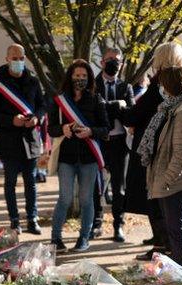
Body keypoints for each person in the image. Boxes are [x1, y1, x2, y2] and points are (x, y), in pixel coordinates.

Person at [121, 42, 182, 261]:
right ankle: (163, 248)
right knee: (163, 207)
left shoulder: (160, 85)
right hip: (164, 151)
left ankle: (166, 251)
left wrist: (118, 108)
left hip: (157, 154)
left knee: (159, 205)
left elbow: (135, 115)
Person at [141, 67, 182, 267]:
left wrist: (166, 180)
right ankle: (174, 268)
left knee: (176, 229)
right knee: (171, 228)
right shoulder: (169, 108)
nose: (159, 87)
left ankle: (179, 271)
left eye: (161, 84)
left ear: (169, 85)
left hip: (177, 182)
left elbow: (181, 154)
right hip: (168, 180)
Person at [0, 44, 47, 235]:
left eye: (21, 58)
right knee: (10, 182)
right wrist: (11, 120)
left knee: (31, 182)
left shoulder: (33, 81)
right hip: (8, 139)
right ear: (7, 59)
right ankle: (14, 220)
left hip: (30, 138)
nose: (19, 62)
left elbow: (42, 105)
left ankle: (32, 219)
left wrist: (37, 117)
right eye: (15, 58)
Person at [47, 59, 109, 252]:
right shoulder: (59, 101)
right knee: (64, 198)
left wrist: (91, 131)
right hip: (67, 157)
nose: (80, 79)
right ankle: (55, 238)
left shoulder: (96, 99)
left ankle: (84, 238)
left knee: (86, 200)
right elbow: (51, 129)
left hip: (88, 158)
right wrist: (63, 128)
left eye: (83, 76)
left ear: (89, 78)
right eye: (76, 76)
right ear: (70, 77)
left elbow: (105, 128)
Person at [93, 47, 135, 243]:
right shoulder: (92, 85)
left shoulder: (126, 87)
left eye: (116, 60)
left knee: (119, 188)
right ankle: (97, 223)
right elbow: (95, 109)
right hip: (98, 141)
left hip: (119, 142)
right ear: (102, 62)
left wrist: (116, 108)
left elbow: (130, 114)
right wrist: (116, 106)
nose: (113, 63)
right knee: (97, 186)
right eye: (109, 59)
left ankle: (118, 225)